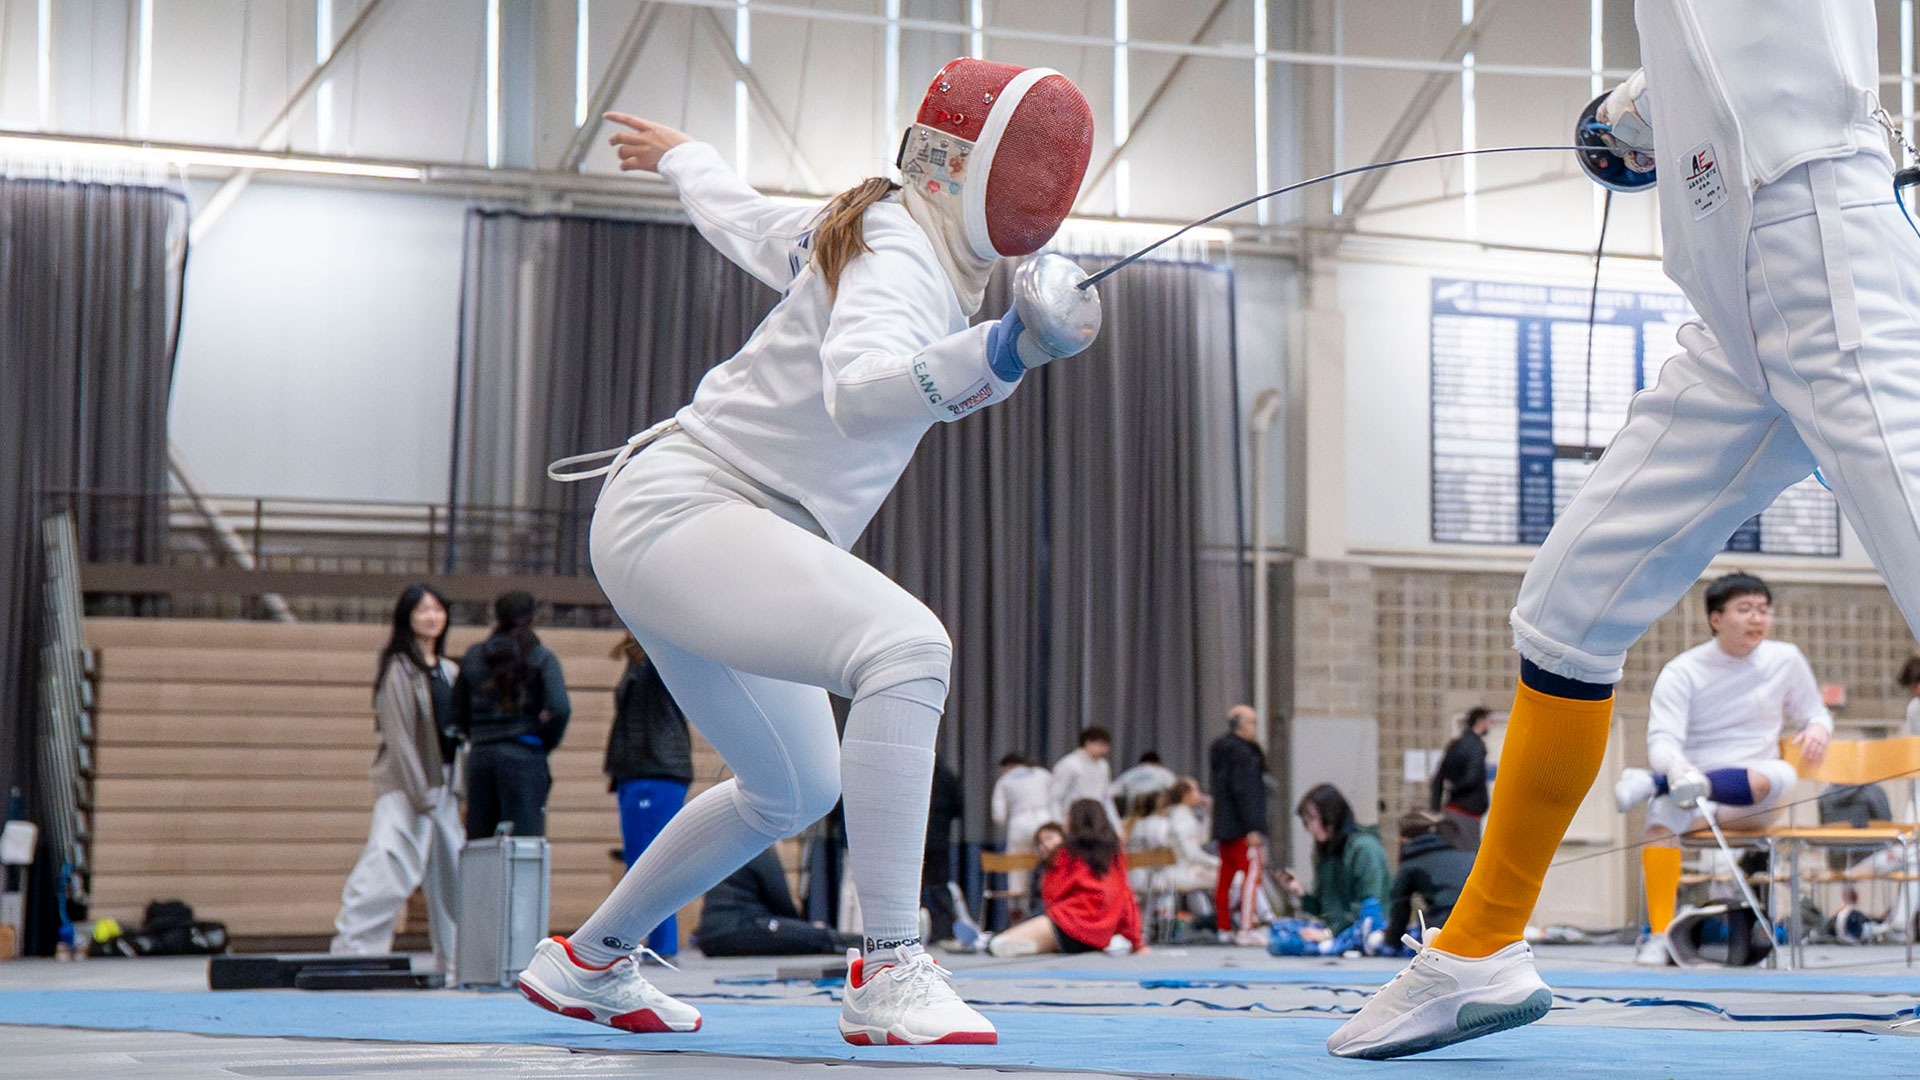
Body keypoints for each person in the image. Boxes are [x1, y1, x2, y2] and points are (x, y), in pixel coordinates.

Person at [1330, 2, 1895, 1057]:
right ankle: (1478, 947)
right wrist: (1648, 107)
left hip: (1829, 244)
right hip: (1731, 306)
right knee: (1566, 612)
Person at [514, 57, 1097, 1045]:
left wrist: (685, 158)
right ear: (965, 170)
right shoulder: (904, 254)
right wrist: (999, 352)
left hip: (695, 522)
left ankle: (588, 962)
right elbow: (860, 392)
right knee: (907, 648)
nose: (1042, 192)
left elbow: (748, 222)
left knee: (794, 784)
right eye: (1030, 167)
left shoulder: (879, 227)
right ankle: (888, 967)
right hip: (695, 505)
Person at [1611, 573, 1831, 966]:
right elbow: (1663, 740)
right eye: (1744, 610)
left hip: (1755, 797)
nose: (1756, 619)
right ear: (1716, 619)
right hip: (1690, 790)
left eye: (1763, 610)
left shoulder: (1786, 659)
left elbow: (1814, 711)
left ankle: (1651, 783)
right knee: (1659, 820)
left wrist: (1818, 726)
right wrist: (1677, 769)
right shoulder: (1683, 670)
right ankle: (1659, 935)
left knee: (1781, 775)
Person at [330, 584, 463, 972]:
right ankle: (356, 950)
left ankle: (454, 960)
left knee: (452, 878)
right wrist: (419, 792)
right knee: (388, 864)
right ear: (406, 617)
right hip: (405, 786)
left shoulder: (450, 670)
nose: (432, 617)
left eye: (438, 609)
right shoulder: (398, 669)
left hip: (445, 786)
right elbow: (399, 736)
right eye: (423, 610)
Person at [453, 591, 571, 840]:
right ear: (532, 618)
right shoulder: (541, 657)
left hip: (481, 757)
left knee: (480, 842)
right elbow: (560, 707)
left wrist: (478, 735)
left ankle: (482, 882)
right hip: (524, 755)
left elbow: (457, 713)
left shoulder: (474, 656)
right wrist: (545, 741)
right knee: (525, 845)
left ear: (495, 617)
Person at [604, 632, 693, 958]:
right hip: (639, 770)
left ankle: (660, 944)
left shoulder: (660, 658)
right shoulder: (638, 660)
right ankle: (655, 943)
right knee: (642, 861)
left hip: (655, 770)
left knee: (650, 862)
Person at [965, 799, 1144, 958]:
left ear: (1074, 821)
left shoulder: (1067, 853)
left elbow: (1052, 894)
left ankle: (987, 940)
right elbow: (1125, 897)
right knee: (1020, 939)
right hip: (1100, 935)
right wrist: (1136, 941)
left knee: (999, 945)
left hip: (1068, 924)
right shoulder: (1115, 854)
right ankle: (1012, 941)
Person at [694, 845, 863, 957]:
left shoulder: (729, 845)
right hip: (742, 927)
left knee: (811, 934)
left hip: (710, 937)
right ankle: (860, 945)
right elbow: (779, 898)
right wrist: (804, 927)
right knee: (818, 935)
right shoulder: (758, 847)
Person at [1281, 783, 1391, 939]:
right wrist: (1301, 894)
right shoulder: (1326, 853)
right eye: (1307, 821)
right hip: (1341, 934)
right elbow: (1326, 910)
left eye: (1313, 818)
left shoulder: (1365, 849)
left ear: (1332, 815)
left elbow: (1369, 906)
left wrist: (1329, 933)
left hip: (1369, 937)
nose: (1311, 827)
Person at [1208, 704, 1267, 942]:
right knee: (1252, 876)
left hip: (1224, 826)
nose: (1255, 728)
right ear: (1242, 725)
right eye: (1253, 723)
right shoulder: (1244, 753)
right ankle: (1246, 927)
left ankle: (1223, 927)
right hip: (1243, 828)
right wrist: (1253, 825)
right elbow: (1247, 791)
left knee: (1225, 877)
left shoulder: (1219, 749)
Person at [1383, 811, 1475, 949]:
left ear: (1404, 839)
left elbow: (1400, 908)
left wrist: (1390, 942)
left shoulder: (1412, 862)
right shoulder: (1463, 855)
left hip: (1445, 927)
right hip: (1479, 924)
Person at [989, 753, 1054, 912]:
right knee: (1049, 867)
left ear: (1008, 766)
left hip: (1019, 824)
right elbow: (1057, 798)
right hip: (1045, 822)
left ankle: (1018, 914)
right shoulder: (1043, 774)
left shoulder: (1005, 780)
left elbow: (999, 816)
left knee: (1017, 872)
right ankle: (1047, 909)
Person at [1428, 707, 1494, 850]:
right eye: (1489, 722)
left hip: (1451, 812)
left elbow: (1437, 780)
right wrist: (1455, 788)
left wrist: (1435, 811)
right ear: (1480, 721)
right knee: (1468, 861)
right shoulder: (1476, 747)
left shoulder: (1455, 745)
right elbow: (1472, 777)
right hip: (1468, 814)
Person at [1050, 727, 1117, 825]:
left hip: (1096, 817)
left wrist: (1116, 826)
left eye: (1106, 746)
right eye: (1101, 745)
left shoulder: (1103, 766)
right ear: (1088, 743)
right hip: (1073, 817)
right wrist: (1058, 822)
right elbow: (1055, 797)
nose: (1105, 749)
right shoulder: (1069, 764)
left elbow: (1106, 797)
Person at [1110, 751, 1177, 817]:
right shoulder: (1164, 772)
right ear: (1158, 763)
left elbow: (1111, 792)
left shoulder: (1130, 773)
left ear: (1140, 762)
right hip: (1156, 815)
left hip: (1134, 817)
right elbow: (1177, 791)